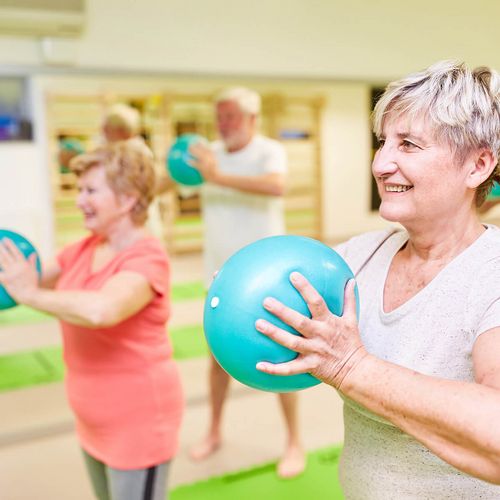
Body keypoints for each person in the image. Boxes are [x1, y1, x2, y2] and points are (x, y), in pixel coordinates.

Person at [255, 60, 500, 499]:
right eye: (383, 142)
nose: (382, 163)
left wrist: (353, 367)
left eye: (408, 145)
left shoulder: (492, 273)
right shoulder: (360, 256)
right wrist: (248, 292)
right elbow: (275, 311)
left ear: (477, 165)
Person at [0, 142, 184, 500]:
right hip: (91, 421)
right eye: (79, 189)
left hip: (138, 426)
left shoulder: (148, 258)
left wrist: (31, 296)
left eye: (90, 190)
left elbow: (103, 310)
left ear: (128, 199)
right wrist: (18, 282)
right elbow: (24, 277)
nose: (79, 199)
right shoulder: (83, 248)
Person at [187, 87, 306, 478]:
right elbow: (173, 183)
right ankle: (214, 430)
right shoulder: (210, 155)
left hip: (265, 276)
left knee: (281, 359)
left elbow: (276, 186)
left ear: (252, 119)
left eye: (231, 116)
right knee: (216, 361)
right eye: (219, 116)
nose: (223, 124)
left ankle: (294, 441)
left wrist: (217, 176)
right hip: (218, 276)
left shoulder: (268, 151)